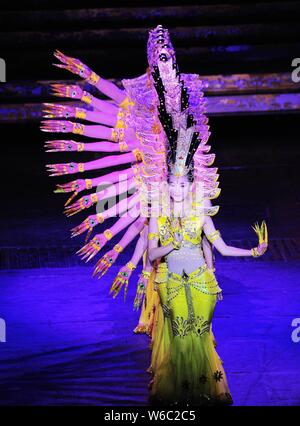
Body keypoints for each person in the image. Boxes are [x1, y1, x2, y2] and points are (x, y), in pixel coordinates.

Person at [41, 24, 268, 406]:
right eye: (156, 47)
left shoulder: (190, 87)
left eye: (168, 47)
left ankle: (193, 351)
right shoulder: (138, 90)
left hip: (188, 174)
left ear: (174, 55)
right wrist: (86, 83)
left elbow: (196, 136)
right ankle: (166, 342)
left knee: (195, 249)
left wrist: (218, 253)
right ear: (150, 56)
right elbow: (115, 121)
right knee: (160, 243)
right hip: (156, 174)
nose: (163, 51)